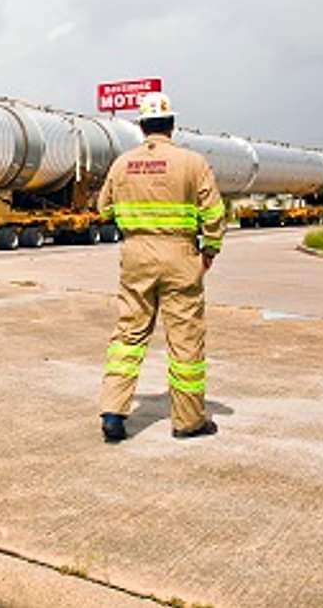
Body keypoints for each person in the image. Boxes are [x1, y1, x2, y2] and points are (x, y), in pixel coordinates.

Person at [95, 91, 225, 443]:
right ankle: (187, 422)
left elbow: (103, 209)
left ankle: (113, 414)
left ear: (141, 126)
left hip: (136, 255)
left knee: (128, 334)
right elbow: (214, 213)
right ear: (172, 125)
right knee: (184, 340)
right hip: (180, 255)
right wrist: (209, 249)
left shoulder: (122, 164)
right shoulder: (193, 162)